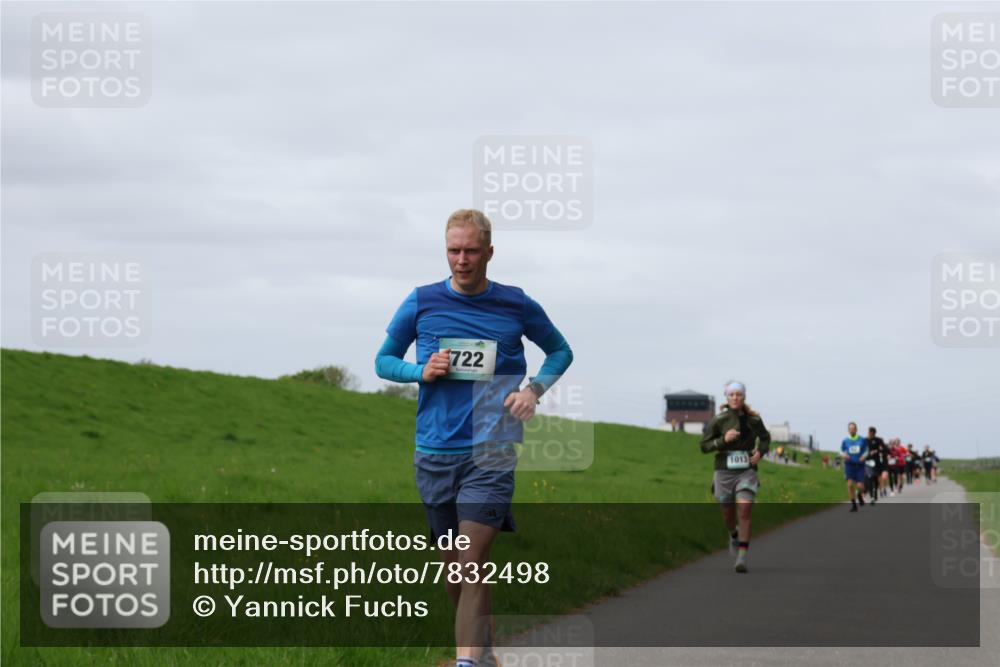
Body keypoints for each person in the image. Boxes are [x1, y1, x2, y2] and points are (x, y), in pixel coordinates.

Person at [375, 209, 574, 667]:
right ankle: (483, 655)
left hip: (492, 449)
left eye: (470, 250)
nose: (461, 260)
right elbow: (383, 360)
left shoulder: (516, 304)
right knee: (456, 574)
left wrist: (533, 390)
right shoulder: (421, 302)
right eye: (453, 250)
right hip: (435, 453)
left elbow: (560, 350)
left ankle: (465, 662)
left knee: (470, 560)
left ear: (489, 252)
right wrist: (418, 371)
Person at [700, 380, 771, 573]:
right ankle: (733, 534)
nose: (735, 397)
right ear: (726, 397)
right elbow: (704, 446)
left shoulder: (754, 421)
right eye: (731, 394)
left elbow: (765, 437)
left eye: (738, 394)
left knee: (745, 509)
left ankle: (742, 556)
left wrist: (760, 453)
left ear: (744, 397)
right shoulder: (719, 420)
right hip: (724, 471)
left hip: (746, 471)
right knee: (727, 513)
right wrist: (723, 440)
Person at [841, 422, 868, 512]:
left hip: (859, 465)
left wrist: (863, 456)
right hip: (849, 465)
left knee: (860, 486)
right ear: (848, 430)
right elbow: (842, 451)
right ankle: (854, 505)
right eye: (850, 428)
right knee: (849, 484)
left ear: (856, 429)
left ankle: (860, 494)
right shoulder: (845, 441)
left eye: (853, 428)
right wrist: (844, 455)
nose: (852, 430)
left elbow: (867, 450)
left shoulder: (862, 440)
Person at [864, 427, 886, 504]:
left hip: (876, 462)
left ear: (874, 433)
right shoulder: (865, 440)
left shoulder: (879, 440)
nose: (870, 434)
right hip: (867, 462)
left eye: (871, 433)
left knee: (876, 479)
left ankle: (875, 491)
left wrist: (876, 450)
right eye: (869, 433)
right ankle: (872, 496)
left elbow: (884, 449)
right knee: (869, 478)